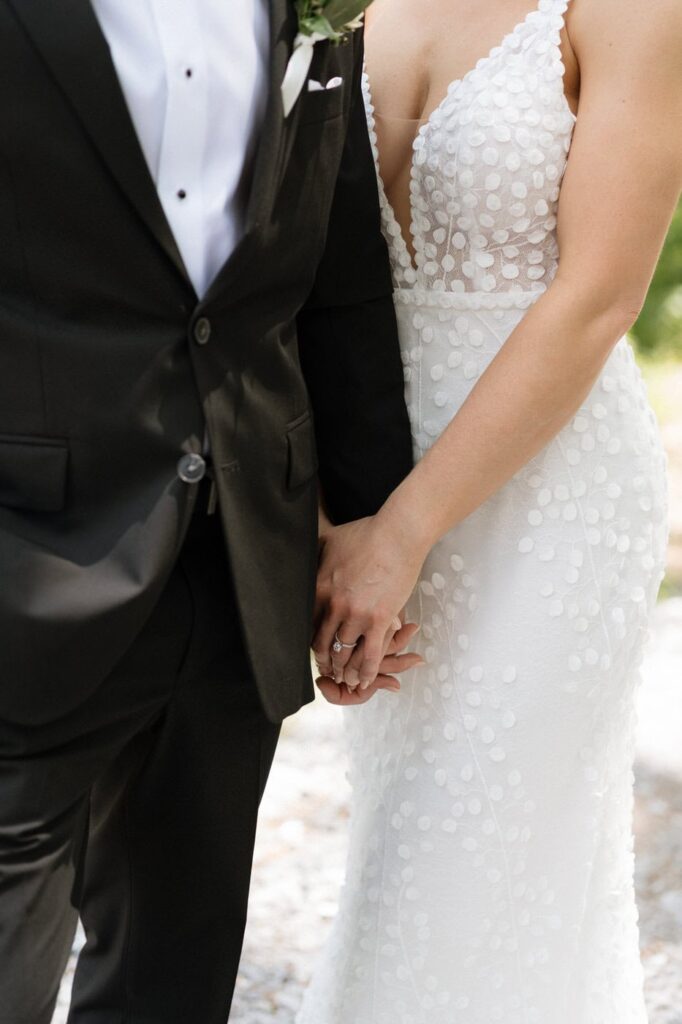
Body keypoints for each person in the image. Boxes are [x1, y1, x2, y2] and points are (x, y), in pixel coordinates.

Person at [0, 2, 416, 1022]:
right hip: (25, 555)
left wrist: (369, 531)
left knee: (168, 984)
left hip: (239, 571)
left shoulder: (313, 11)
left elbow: (340, 270)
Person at [300, 0, 682, 1020]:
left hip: (550, 499)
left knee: (488, 846)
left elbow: (599, 296)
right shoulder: (354, 7)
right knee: (401, 838)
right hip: (373, 479)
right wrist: (339, 516)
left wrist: (406, 530)